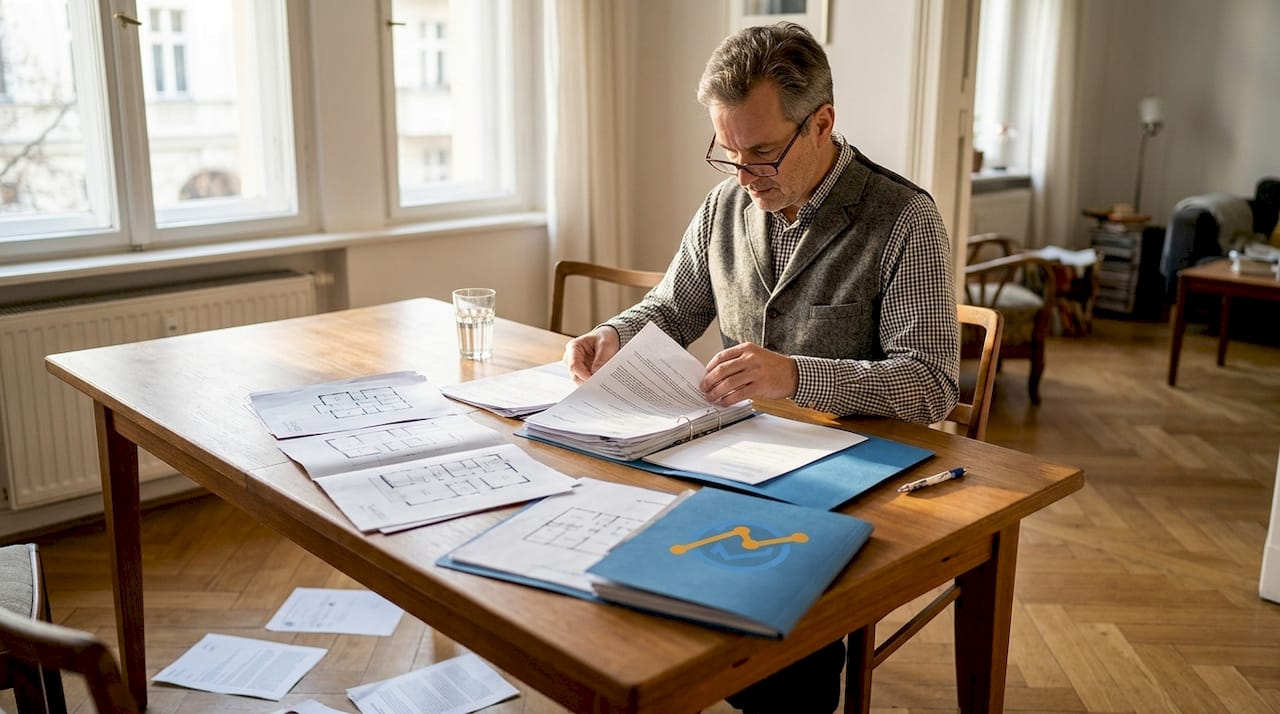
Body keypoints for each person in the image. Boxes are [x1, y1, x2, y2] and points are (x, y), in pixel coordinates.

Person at [562, 22, 959, 714]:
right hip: (735, 462)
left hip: (851, 481)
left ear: (822, 124)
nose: (744, 178)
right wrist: (613, 333)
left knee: (780, 666)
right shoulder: (726, 204)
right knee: (608, 588)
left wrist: (795, 375)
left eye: (763, 155)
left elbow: (929, 385)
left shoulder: (903, 218)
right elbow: (675, 307)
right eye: (729, 153)